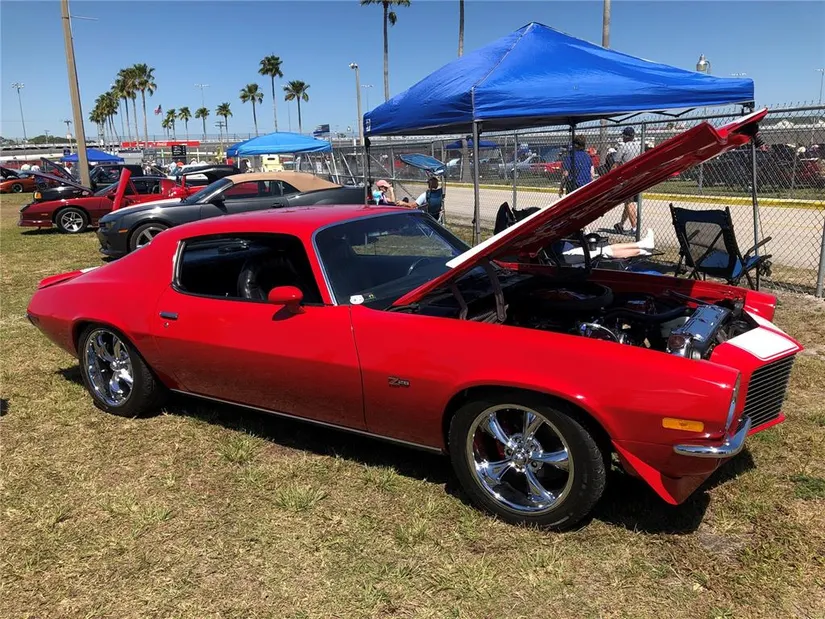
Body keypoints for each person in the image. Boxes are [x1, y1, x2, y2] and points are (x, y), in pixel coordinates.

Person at [559, 229, 655, 266]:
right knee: (604, 251)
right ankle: (642, 248)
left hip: (567, 248)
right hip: (565, 255)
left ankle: (642, 247)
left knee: (605, 248)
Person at [613, 126, 642, 234]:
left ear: (625, 136)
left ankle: (634, 228)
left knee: (629, 201)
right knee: (628, 202)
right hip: (638, 176)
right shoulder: (639, 146)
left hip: (627, 178)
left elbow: (616, 164)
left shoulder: (623, 147)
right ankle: (621, 224)